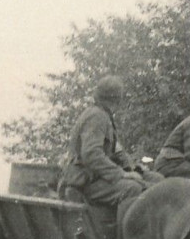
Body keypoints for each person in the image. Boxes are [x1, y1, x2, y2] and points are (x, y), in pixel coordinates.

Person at [58, 75, 162, 214]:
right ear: (117, 99)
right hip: (84, 182)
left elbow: (117, 151)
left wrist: (134, 169)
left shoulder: (103, 116)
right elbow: (91, 154)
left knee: (155, 179)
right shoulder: (97, 117)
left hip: (95, 178)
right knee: (132, 189)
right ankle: (127, 235)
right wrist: (122, 174)